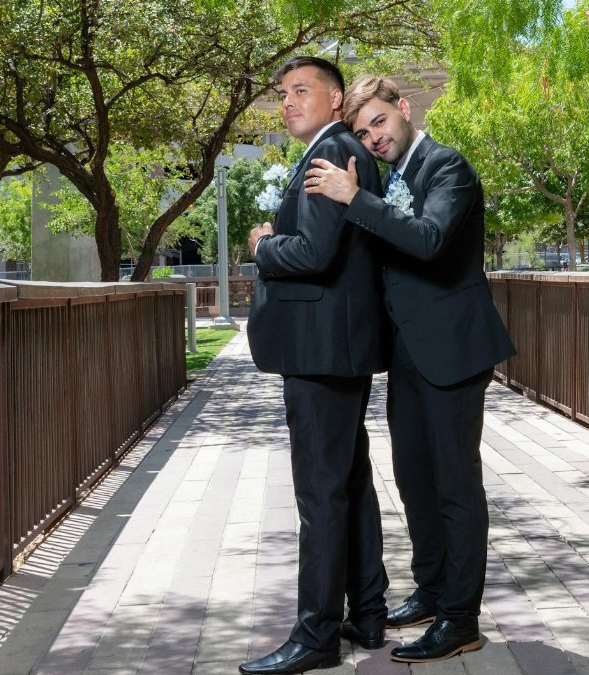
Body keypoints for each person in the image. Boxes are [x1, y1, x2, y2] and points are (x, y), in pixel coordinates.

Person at [303, 75, 515, 664]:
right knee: (414, 479)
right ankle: (430, 589)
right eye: (362, 131)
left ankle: (460, 619)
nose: (372, 137)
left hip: (453, 351)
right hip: (408, 355)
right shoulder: (392, 178)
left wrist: (353, 199)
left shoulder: (448, 168)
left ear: (403, 108)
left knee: (455, 487)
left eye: (378, 122)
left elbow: (427, 240)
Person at [240, 56, 390, 675]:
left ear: (334, 101)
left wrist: (262, 245)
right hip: (333, 348)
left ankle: (317, 635)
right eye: (283, 93)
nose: (287, 101)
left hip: (322, 350)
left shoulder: (333, 154)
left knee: (320, 495)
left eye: (301, 90)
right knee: (348, 483)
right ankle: (369, 613)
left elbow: (316, 253)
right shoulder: (334, 150)